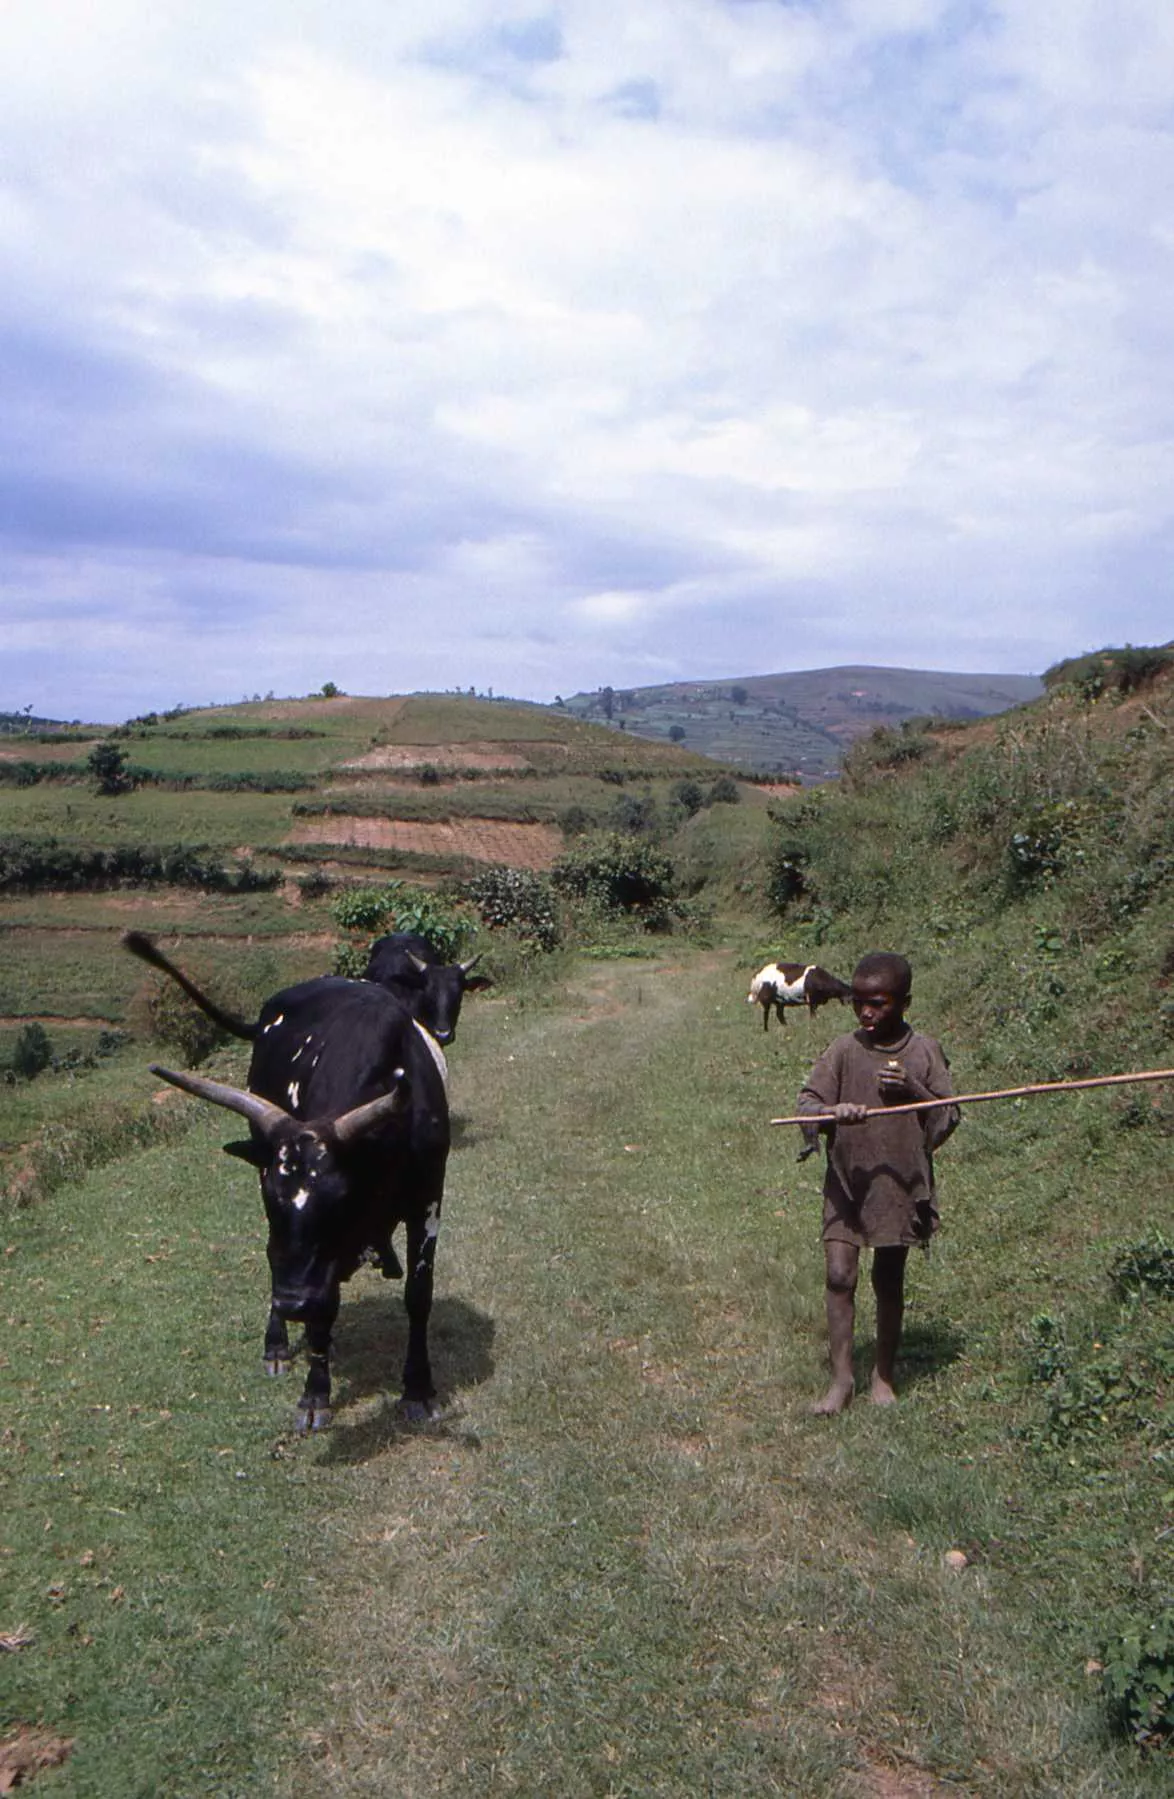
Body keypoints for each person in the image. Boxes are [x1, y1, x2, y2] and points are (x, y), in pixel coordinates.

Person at [796, 952, 959, 1415]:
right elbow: (807, 1102)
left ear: (904, 1002)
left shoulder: (924, 1052)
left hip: (898, 1184)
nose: (867, 1013)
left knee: (888, 1278)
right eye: (859, 1003)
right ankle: (841, 1381)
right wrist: (831, 1112)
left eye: (880, 1004)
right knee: (838, 1274)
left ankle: (882, 1375)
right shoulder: (845, 1051)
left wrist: (914, 1091)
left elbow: (948, 1115)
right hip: (848, 1181)